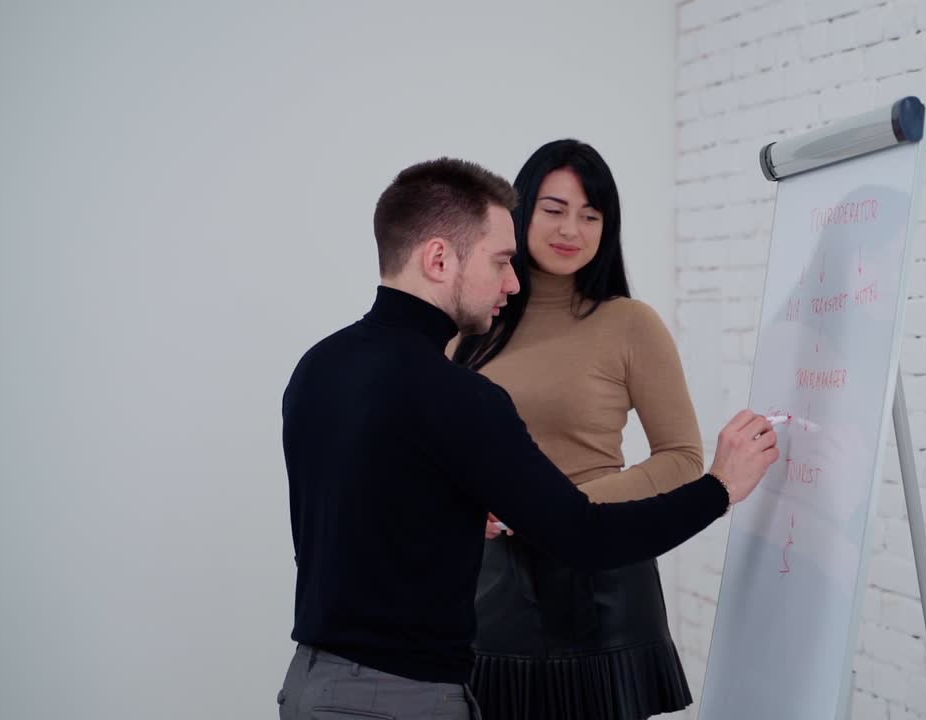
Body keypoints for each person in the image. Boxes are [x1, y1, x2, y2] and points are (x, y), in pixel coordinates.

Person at [277, 157, 781, 720]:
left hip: (313, 682)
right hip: (406, 694)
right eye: (500, 261)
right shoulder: (458, 390)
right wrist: (720, 488)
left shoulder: (318, 366)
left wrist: (469, 507)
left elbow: (379, 503)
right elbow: (582, 534)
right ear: (439, 258)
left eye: (591, 215)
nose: (511, 281)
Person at [453, 139, 703, 719]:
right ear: (522, 213)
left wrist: (556, 509)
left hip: (602, 583)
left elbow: (683, 457)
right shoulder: (470, 322)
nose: (573, 229)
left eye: (592, 215)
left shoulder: (630, 323)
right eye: (555, 209)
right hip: (488, 586)